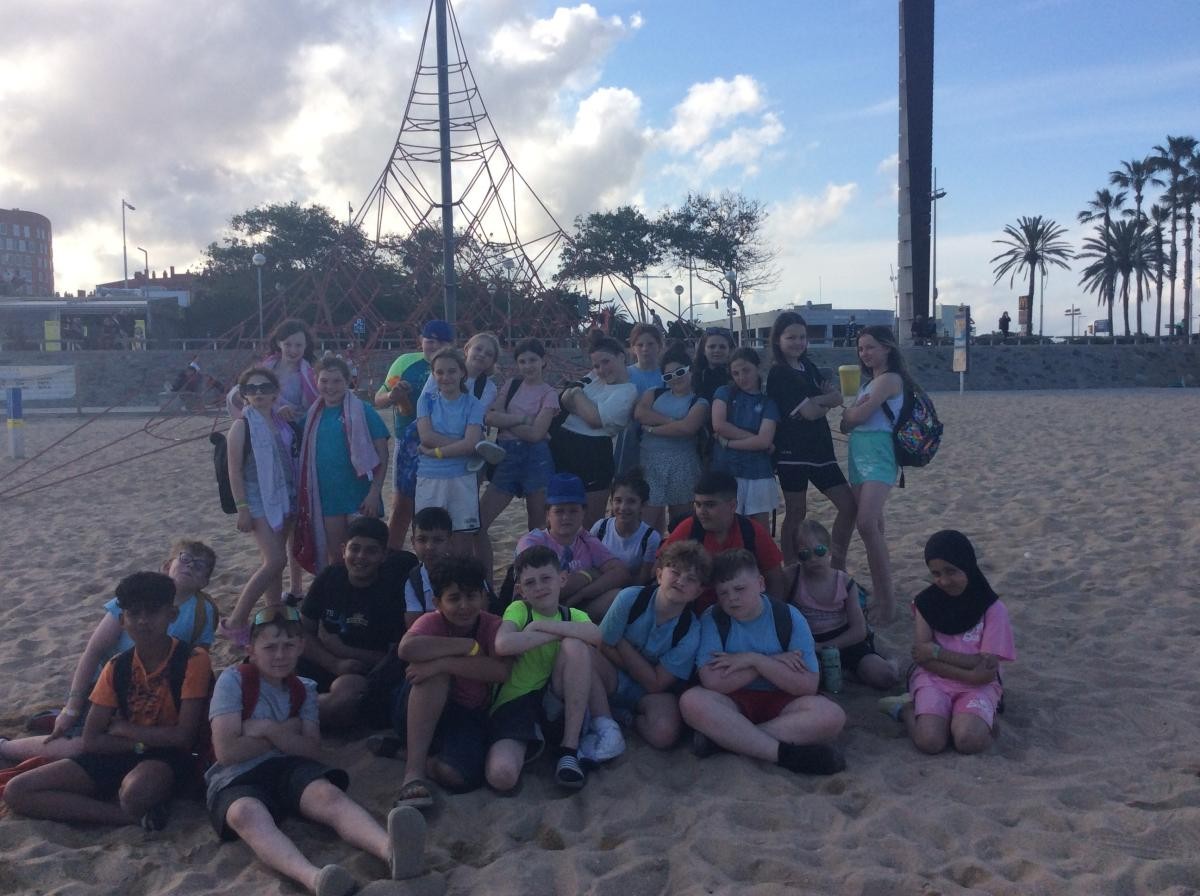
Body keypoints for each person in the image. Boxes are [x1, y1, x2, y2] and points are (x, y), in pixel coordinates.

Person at [205, 606, 427, 895]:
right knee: (245, 814)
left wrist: (268, 729)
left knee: (328, 795)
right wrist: (289, 730)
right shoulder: (233, 680)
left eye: (288, 646)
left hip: (289, 767)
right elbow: (227, 752)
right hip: (235, 778)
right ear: (251, 650)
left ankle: (391, 850)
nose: (280, 655)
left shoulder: (304, 689)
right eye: (270, 647)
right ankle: (314, 878)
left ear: (301, 647)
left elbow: (311, 750)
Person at [3, 572, 213, 829]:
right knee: (17, 790)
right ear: (123, 620)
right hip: (125, 752)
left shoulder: (192, 660)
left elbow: (183, 737)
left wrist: (125, 729)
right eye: (134, 613)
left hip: (168, 759)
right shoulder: (117, 666)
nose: (143, 621)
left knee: (136, 793)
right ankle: (127, 818)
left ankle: (129, 806)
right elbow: (91, 740)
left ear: (172, 615)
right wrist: (139, 744)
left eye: (152, 612)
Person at [0, 540, 218, 765]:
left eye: (200, 565)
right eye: (185, 558)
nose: (190, 566)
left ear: (205, 581)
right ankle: (6, 747)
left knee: (115, 745)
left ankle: (67, 721)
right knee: (79, 747)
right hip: (109, 687)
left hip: (156, 695)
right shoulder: (132, 599)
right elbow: (93, 651)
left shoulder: (204, 611)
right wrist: (72, 708)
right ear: (166, 566)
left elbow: (195, 668)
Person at [678, 550, 845, 775]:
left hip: (783, 701)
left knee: (832, 716)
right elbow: (713, 682)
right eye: (723, 593)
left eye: (739, 589)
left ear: (760, 584)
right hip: (733, 701)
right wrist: (770, 662)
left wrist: (754, 660)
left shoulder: (789, 616)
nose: (732, 598)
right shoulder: (713, 618)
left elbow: (807, 685)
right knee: (692, 701)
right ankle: (783, 754)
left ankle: (726, 741)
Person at [487, 546, 622, 792]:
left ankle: (568, 751)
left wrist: (541, 629)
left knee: (576, 646)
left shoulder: (573, 614)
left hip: (557, 701)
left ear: (562, 579)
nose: (539, 587)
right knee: (502, 776)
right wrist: (553, 632)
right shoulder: (520, 610)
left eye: (546, 578)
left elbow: (595, 635)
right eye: (530, 582)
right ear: (520, 590)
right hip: (518, 701)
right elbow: (503, 644)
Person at [880, 531, 1015, 755]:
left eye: (951, 571)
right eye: (936, 574)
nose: (943, 581)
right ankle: (906, 710)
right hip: (934, 679)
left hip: (977, 685)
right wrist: (970, 668)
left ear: (967, 565)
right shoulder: (926, 603)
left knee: (967, 741)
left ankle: (979, 717)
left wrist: (937, 652)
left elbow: (986, 670)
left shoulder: (992, 608)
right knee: (930, 741)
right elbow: (922, 657)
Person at [392, 555, 511, 807]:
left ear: (483, 597)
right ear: (437, 602)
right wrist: (466, 646)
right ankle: (414, 773)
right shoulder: (431, 621)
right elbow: (407, 649)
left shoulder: (493, 625)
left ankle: (403, 753)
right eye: (454, 598)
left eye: (471, 596)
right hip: (416, 710)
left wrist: (442, 662)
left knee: (458, 776)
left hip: (466, 715)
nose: (464, 606)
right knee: (433, 677)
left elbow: (501, 671)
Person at [226, 318, 319, 602]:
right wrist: (257, 415)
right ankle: (273, 602)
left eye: (299, 344)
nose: (293, 349)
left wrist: (292, 414)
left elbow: (314, 403)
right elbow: (237, 395)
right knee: (274, 548)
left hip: (292, 435)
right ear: (279, 344)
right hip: (264, 432)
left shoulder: (307, 372)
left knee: (291, 529)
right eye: (288, 344)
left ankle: (295, 588)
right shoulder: (267, 370)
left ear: (306, 346)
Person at [297, 518, 413, 729]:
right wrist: (332, 662)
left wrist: (343, 650)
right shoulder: (329, 577)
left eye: (371, 551)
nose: (360, 557)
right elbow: (301, 632)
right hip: (322, 659)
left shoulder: (392, 593)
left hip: (361, 672)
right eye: (355, 548)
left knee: (343, 702)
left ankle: (287, 718)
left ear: (384, 555)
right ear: (344, 551)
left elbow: (394, 657)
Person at [594, 541, 711, 748]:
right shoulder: (630, 598)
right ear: (659, 575)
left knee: (664, 733)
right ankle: (603, 719)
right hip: (611, 675)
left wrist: (621, 641)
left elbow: (656, 684)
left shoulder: (690, 631)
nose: (681, 581)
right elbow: (602, 645)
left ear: (698, 592)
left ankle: (625, 717)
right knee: (584, 656)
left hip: (647, 694)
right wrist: (643, 670)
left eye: (691, 579)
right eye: (675, 572)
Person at [765, 311, 856, 568]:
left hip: (821, 450)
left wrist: (820, 401)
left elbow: (834, 398)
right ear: (778, 339)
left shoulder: (809, 368)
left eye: (802, 337)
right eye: (791, 337)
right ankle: (791, 568)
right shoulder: (779, 373)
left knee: (849, 506)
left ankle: (837, 566)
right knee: (796, 512)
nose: (798, 342)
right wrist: (825, 401)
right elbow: (810, 412)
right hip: (792, 452)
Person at [839, 325, 912, 623]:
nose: (864, 353)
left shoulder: (889, 380)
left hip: (880, 453)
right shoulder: (869, 383)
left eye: (870, 347)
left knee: (867, 523)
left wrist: (851, 413)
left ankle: (887, 602)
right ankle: (882, 594)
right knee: (874, 528)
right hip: (859, 453)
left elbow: (856, 416)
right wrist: (851, 415)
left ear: (887, 347)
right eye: (861, 348)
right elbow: (846, 425)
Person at [221, 367, 298, 646]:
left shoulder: (280, 421)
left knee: (276, 560)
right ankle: (236, 621)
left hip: (284, 495)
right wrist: (242, 508)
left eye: (264, 387)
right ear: (243, 394)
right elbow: (234, 471)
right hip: (257, 500)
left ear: (275, 392)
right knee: (275, 559)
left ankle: (273, 612)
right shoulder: (241, 426)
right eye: (251, 389)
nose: (258, 393)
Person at [295, 356, 389, 572]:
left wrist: (375, 492)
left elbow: (382, 454)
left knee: (367, 556)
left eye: (337, 381)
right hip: (329, 499)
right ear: (316, 381)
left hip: (361, 496)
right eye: (324, 381)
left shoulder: (363, 411)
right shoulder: (311, 416)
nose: (330, 387)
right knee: (337, 558)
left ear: (348, 381)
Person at [479, 338, 561, 577]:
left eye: (532, 360)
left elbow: (536, 435)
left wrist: (507, 421)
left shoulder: (549, 394)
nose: (528, 366)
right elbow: (490, 417)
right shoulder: (512, 385)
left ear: (543, 361)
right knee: (479, 521)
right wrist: (524, 420)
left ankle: (534, 577)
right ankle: (485, 579)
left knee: (537, 528)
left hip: (536, 460)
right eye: (522, 361)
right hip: (507, 457)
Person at [785, 519, 898, 690]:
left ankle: (890, 661)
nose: (813, 559)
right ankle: (847, 674)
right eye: (805, 554)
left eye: (819, 551)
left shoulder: (844, 582)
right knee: (808, 680)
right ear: (797, 558)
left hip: (845, 641)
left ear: (830, 550)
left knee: (885, 677)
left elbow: (859, 630)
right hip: (811, 643)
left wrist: (826, 647)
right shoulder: (792, 577)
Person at [376, 320, 455, 551]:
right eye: (430, 340)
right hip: (408, 443)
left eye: (441, 342)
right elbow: (379, 398)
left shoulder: (455, 367)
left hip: (444, 444)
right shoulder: (405, 362)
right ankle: (392, 558)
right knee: (402, 506)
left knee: (442, 507)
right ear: (421, 340)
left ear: (452, 344)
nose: (434, 346)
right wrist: (393, 395)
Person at [661, 470, 786, 613]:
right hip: (695, 614)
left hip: (743, 612)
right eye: (698, 505)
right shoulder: (689, 528)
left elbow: (775, 578)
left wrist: (772, 615)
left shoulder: (751, 531)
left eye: (710, 505)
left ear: (732, 505)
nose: (701, 512)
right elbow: (660, 568)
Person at [514, 473, 629, 620]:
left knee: (619, 597)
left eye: (573, 510)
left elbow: (621, 572)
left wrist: (582, 594)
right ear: (548, 514)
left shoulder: (585, 539)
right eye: (559, 511)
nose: (566, 517)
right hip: (537, 612)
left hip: (575, 606)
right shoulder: (532, 542)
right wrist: (588, 575)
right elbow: (540, 590)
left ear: (583, 513)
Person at [551, 334, 638, 525]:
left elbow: (594, 420)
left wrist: (576, 395)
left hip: (593, 452)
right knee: (559, 516)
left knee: (591, 521)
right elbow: (564, 399)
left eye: (606, 362)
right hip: (563, 446)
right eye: (597, 365)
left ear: (621, 357)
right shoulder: (596, 377)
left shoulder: (627, 391)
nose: (601, 369)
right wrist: (579, 401)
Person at [415, 347, 486, 553]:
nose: (446, 377)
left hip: (461, 476)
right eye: (439, 372)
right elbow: (426, 437)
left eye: (452, 371)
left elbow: (470, 443)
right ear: (433, 374)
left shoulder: (473, 404)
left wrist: (436, 452)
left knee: (462, 542)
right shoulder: (425, 400)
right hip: (430, 476)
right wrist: (462, 446)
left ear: (462, 372)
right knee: (429, 542)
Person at [635, 343, 710, 532]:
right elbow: (640, 414)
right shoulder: (654, 393)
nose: (675, 378)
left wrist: (652, 429)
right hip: (650, 465)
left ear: (690, 370)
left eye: (680, 372)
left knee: (682, 526)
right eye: (668, 376)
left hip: (683, 466)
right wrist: (672, 422)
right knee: (645, 526)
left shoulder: (700, 402)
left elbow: (687, 428)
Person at [711, 347, 782, 527]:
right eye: (736, 373)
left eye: (746, 370)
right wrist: (754, 440)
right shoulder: (724, 392)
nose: (742, 377)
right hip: (726, 470)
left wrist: (728, 443)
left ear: (757, 368)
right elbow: (719, 425)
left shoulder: (768, 403)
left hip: (757, 472)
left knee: (759, 528)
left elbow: (764, 441)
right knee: (727, 526)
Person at [588, 470, 662, 586]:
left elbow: (643, 580)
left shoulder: (650, 538)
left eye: (631, 502)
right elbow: (588, 564)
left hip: (626, 590)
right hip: (596, 585)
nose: (623, 507)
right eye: (618, 501)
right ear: (611, 501)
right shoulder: (600, 527)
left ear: (642, 505)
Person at [614, 323, 665, 477]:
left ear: (659, 346)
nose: (645, 349)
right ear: (632, 348)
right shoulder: (624, 374)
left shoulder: (667, 375)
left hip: (660, 436)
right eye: (640, 344)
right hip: (629, 438)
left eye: (650, 344)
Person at [402, 506, 454, 628]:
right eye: (422, 540)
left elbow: (482, 614)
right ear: (413, 542)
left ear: (450, 541)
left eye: (438, 540)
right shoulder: (414, 581)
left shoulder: (468, 573)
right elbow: (415, 627)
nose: (429, 547)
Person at [692, 326, 734, 404]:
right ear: (703, 350)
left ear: (730, 350)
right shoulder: (692, 378)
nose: (717, 350)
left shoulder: (737, 377)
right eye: (712, 347)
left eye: (722, 347)